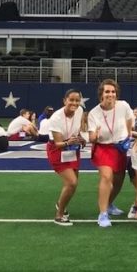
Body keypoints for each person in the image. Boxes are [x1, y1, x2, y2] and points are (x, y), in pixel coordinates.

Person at [88, 79, 134, 228]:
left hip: (120, 148)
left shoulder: (124, 105)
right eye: (107, 91)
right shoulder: (94, 113)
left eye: (113, 91)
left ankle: (108, 204)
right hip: (103, 148)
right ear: (101, 93)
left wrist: (127, 136)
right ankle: (102, 214)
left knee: (119, 180)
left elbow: (129, 121)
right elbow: (91, 137)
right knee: (107, 177)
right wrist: (94, 135)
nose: (110, 94)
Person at [47, 89, 86, 226]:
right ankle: (59, 214)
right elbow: (58, 143)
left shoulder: (80, 110)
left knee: (73, 184)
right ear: (64, 100)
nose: (74, 103)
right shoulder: (56, 118)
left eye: (77, 100)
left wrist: (80, 138)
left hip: (72, 148)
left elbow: (77, 128)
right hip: (58, 149)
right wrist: (68, 142)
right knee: (72, 182)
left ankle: (60, 204)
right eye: (71, 100)